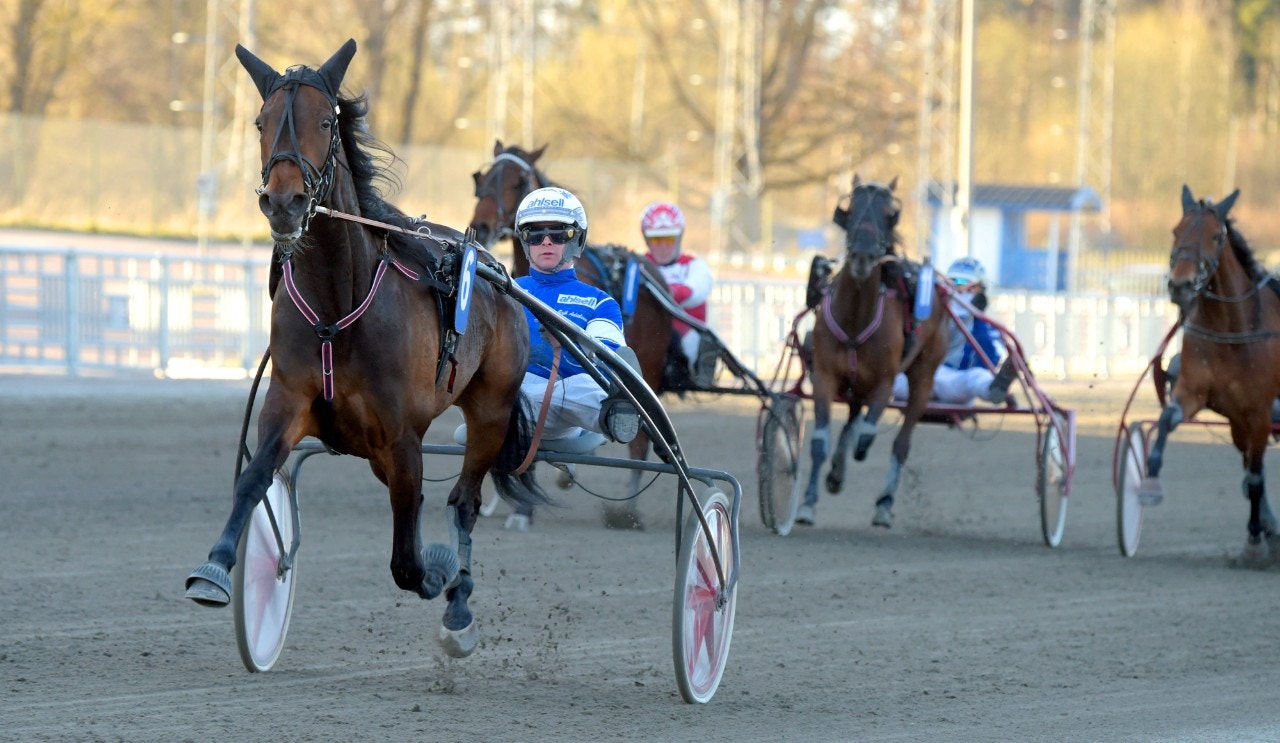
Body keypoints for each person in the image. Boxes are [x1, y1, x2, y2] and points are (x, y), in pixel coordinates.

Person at [506, 186, 635, 530]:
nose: (546, 242)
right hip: (519, 395)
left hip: (574, 393)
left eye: (558, 233)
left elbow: (606, 350)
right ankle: (612, 410)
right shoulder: (505, 291)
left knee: (583, 385)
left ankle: (620, 411)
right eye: (535, 234)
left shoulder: (600, 302)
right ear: (524, 242)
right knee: (513, 387)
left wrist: (573, 341)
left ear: (576, 240)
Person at [892, 256, 1016, 406]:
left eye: (963, 282)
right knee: (891, 375)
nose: (957, 288)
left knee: (977, 376)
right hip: (916, 378)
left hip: (953, 382)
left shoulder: (987, 326)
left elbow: (989, 361)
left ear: (979, 289)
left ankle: (995, 390)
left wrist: (977, 320)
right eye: (952, 281)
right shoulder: (928, 315)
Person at [640, 200, 716, 386]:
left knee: (694, 340)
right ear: (647, 240)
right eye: (656, 240)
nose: (663, 246)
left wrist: (664, 292)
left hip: (686, 332)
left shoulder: (694, 265)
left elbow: (696, 292)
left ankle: (696, 370)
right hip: (647, 332)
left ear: (679, 238)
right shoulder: (638, 265)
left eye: (669, 239)